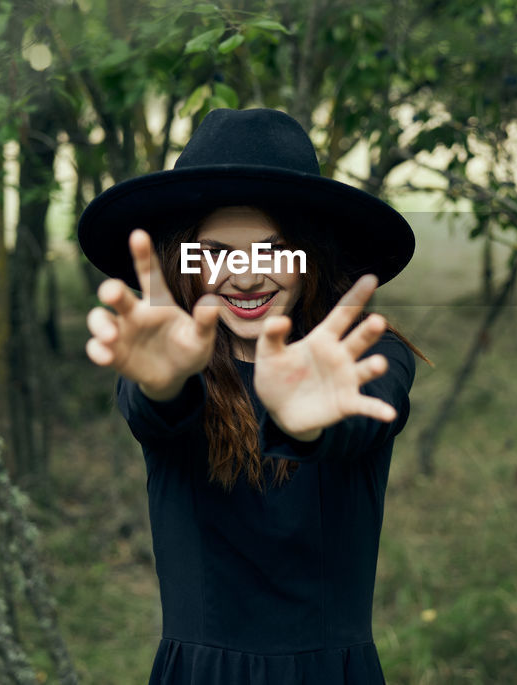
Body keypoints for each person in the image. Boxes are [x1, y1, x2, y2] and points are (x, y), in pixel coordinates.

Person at [77, 108, 423, 684]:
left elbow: (368, 414)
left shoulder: (364, 352)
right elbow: (156, 411)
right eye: (212, 254)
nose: (245, 276)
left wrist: (308, 424)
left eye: (273, 251)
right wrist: (162, 383)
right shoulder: (168, 365)